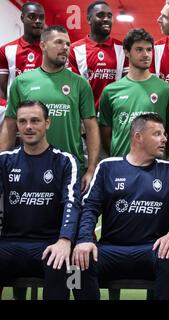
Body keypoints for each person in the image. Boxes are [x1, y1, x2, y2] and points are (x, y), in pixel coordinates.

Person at [72, 113, 169, 300]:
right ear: (138, 137)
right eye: (157, 134)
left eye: (164, 134)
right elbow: (89, 208)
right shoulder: (107, 167)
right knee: (75, 266)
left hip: (152, 250)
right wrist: (84, 239)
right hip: (110, 249)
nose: (165, 139)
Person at [0, 25, 100, 193]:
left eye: (68, 44)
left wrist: (91, 170)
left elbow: (91, 127)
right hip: (30, 166)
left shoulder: (80, 83)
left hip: (70, 168)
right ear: (43, 45)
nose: (65, 48)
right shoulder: (22, 82)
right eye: (59, 42)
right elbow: (9, 126)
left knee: (69, 218)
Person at [0, 100, 81, 300]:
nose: (28, 127)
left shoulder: (65, 161)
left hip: (51, 243)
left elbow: (72, 203)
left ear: (47, 123)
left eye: (35, 120)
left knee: (67, 265)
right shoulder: (4, 161)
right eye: (23, 121)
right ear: (17, 125)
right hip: (10, 243)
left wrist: (65, 240)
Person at [98, 28, 169, 157]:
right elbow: (106, 134)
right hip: (121, 166)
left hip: (155, 168)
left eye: (149, 49)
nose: (146, 54)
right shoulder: (110, 91)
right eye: (139, 49)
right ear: (127, 52)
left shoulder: (166, 90)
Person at [68, 1, 128, 111]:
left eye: (109, 16)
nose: (106, 19)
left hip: (114, 116)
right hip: (86, 117)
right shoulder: (75, 49)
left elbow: (127, 86)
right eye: (100, 15)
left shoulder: (123, 49)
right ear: (89, 19)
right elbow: (72, 88)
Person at [0, 2, 45, 100]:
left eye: (41, 17)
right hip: (15, 112)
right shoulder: (6, 51)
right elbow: (1, 89)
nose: (38, 21)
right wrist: (6, 112)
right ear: (22, 18)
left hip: (46, 112)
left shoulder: (51, 50)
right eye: (32, 17)